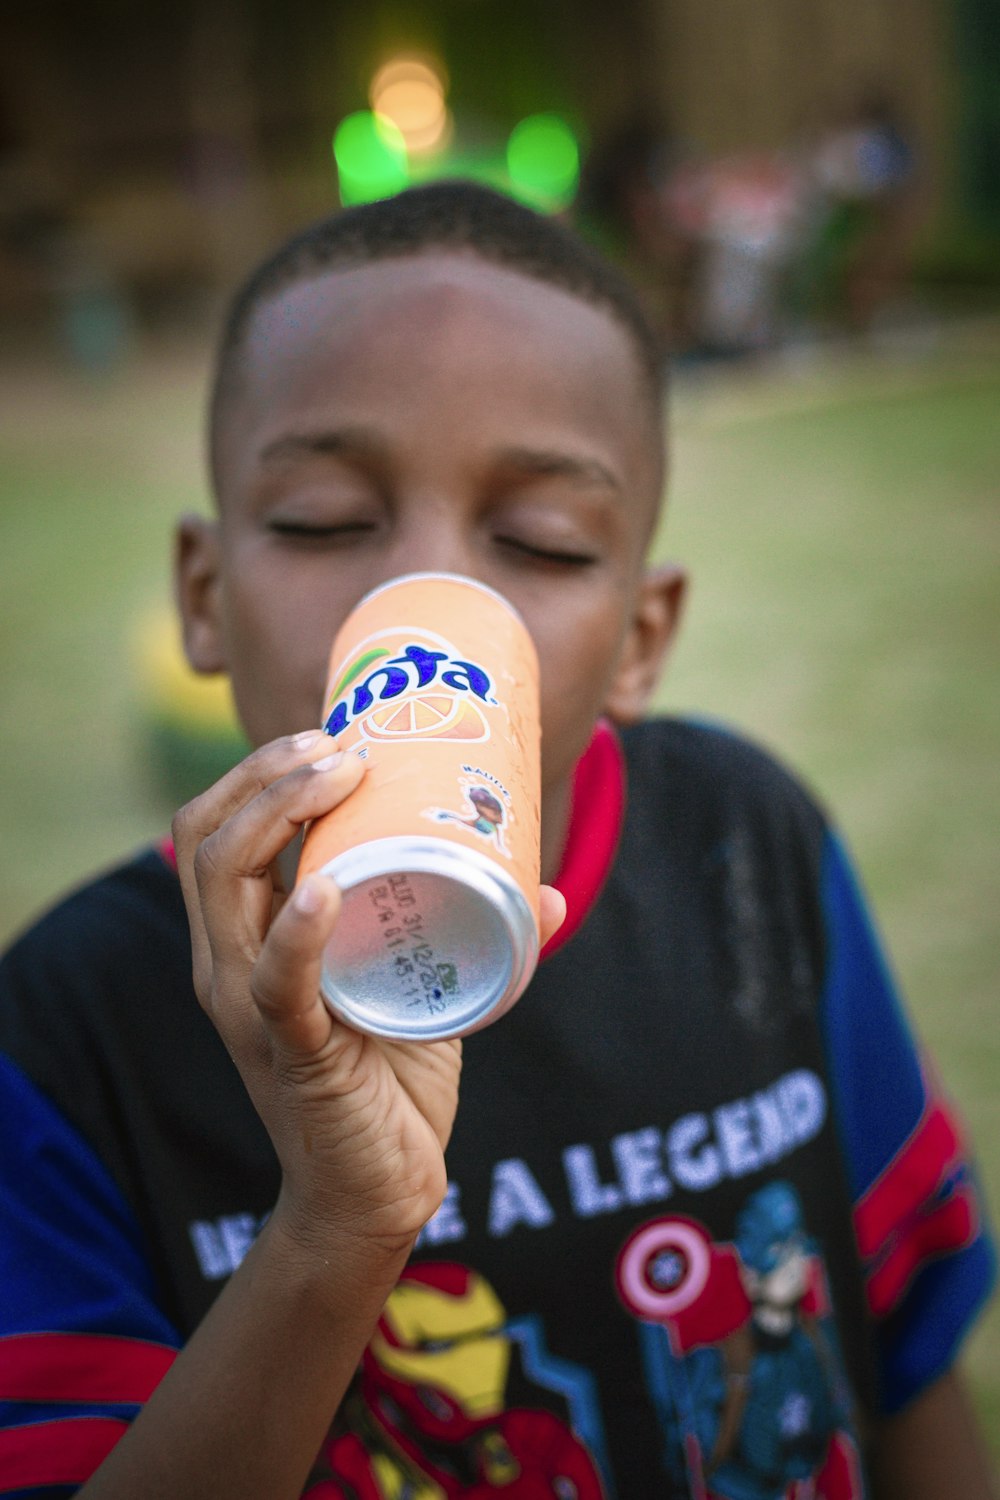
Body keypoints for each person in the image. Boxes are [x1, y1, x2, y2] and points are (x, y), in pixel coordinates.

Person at [0, 181, 995, 1499]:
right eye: (321, 522)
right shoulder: (68, 1029)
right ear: (204, 597)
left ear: (640, 639)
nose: (425, 601)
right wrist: (335, 1232)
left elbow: (906, 1364)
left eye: (541, 539)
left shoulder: (749, 850)